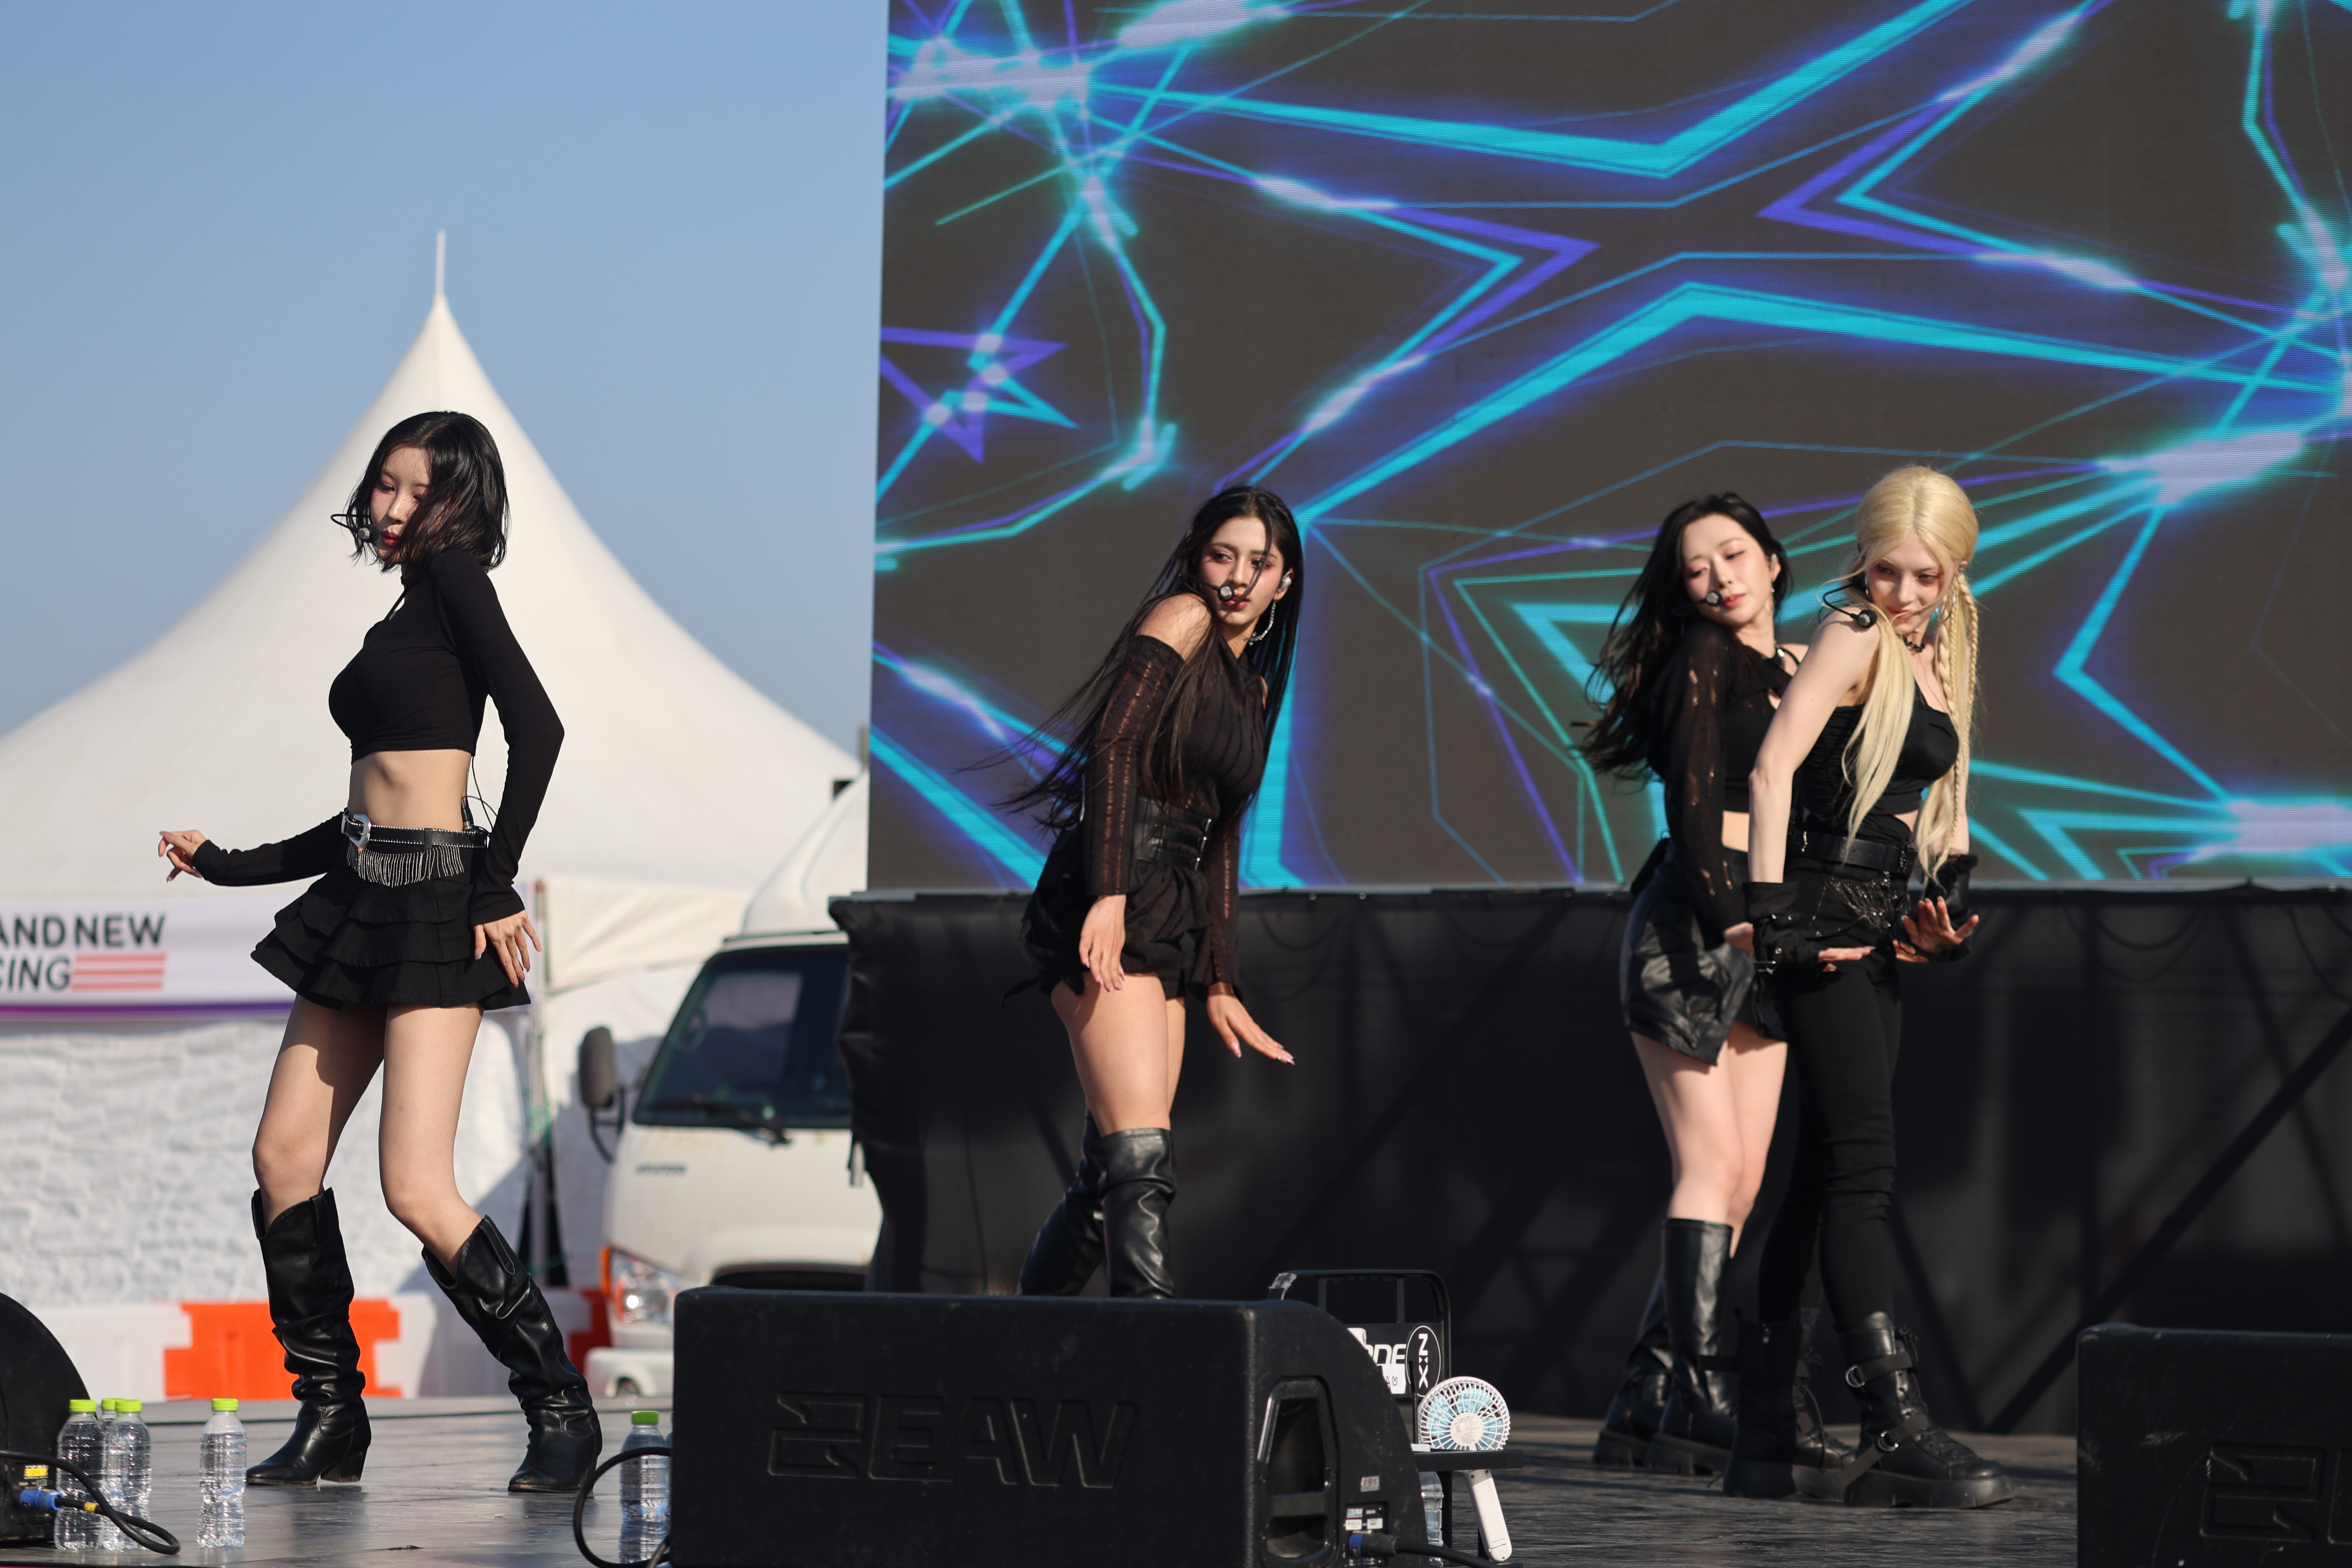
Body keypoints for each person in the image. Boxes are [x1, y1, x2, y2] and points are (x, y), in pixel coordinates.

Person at [156, 412, 597, 1494]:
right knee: (282, 1159)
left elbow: (538, 729)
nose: (392, 509)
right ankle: (332, 1416)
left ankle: (560, 1408)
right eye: (384, 486)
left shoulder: (454, 578)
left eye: (416, 491)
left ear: (458, 501)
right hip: (360, 894)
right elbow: (365, 813)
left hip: (441, 904)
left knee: (415, 1184)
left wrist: (494, 880)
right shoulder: (406, 606)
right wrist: (230, 864)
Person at [1733, 465, 2011, 1508]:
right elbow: (1772, 769)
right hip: (1818, 923)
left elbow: (1932, 813)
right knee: (1862, 1171)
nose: (1903, 591)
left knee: (1824, 1174)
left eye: (1925, 575)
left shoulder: (1938, 651)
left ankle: (1770, 1429)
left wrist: (1938, 920)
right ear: (1863, 558)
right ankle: (1891, 1421)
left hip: (1872, 925)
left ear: (1956, 572)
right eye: (1888, 569)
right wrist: (1775, 923)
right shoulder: (1852, 628)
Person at [1578, 495, 1844, 1477]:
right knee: (1710, 1163)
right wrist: (1732, 914)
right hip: (1696, 925)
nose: (1719, 577)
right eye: (1696, 568)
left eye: (1734, 554)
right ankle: (1698, 1389)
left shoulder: (1800, 668)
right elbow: (1691, 801)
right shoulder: (1703, 656)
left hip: (1767, 927)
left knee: (1740, 1180)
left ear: (1773, 560)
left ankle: (1643, 1399)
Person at [1008, 486, 1302, 1299]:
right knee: (1142, 1161)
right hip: (1110, 884)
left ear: (1284, 582)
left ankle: (1018, 1344)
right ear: (1194, 560)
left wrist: (1221, 979)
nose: (1238, 577)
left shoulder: (1254, 691)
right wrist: (1108, 895)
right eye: (1222, 555)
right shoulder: (1183, 618)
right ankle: (1157, 1348)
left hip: (1170, 905)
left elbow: (1223, 839)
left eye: (1260, 563)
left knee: (1110, 1173)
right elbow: (1115, 748)